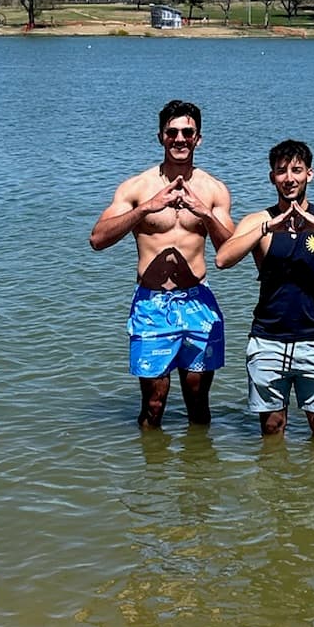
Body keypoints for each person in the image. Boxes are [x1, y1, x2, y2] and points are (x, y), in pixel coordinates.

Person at [216, 137, 314, 437]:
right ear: (272, 177)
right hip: (268, 341)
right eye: (281, 171)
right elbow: (223, 260)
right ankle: (274, 483)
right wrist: (268, 228)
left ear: (309, 174)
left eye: (297, 170)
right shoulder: (257, 221)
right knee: (273, 429)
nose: (289, 178)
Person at [88, 99, 234, 428]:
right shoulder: (137, 188)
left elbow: (230, 254)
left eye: (187, 132)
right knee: (153, 405)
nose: (179, 138)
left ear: (198, 138)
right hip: (152, 305)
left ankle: (196, 477)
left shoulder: (214, 190)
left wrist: (206, 215)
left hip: (198, 302)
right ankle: (152, 478)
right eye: (172, 132)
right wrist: (145, 210)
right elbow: (97, 240)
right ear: (160, 137)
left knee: (198, 405)